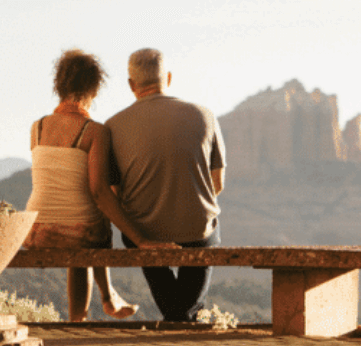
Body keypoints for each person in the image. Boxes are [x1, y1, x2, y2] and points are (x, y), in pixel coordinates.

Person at [23, 49, 173, 322]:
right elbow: (99, 192)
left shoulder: (37, 128)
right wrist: (140, 239)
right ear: (94, 87)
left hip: (34, 231)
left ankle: (105, 299)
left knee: (81, 223)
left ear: (59, 85)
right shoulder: (94, 131)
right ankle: (87, 312)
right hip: (80, 234)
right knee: (92, 228)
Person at [99, 48, 225, 322]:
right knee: (207, 232)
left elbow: (114, 193)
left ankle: (181, 316)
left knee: (136, 236)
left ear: (132, 85)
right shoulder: (205, 115)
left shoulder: (112, 126)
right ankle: (188, 316)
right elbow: (218, 183)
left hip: (143, 231)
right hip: (197, 229)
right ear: (168, 77)